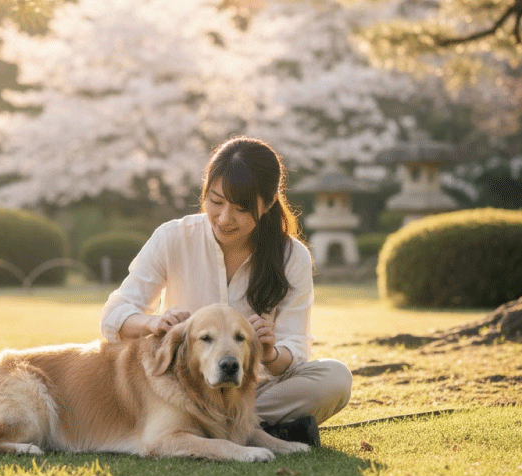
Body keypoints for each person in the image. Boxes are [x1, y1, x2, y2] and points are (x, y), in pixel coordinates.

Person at [100, 136, 352, 446]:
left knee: (335, 379)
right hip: (185, 390)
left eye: (241, 208)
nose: (224, 218)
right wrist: (153, 323)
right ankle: (249, 431)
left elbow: (296, 350)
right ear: (205, 191)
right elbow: (113, 316)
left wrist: (271, 353)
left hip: (252, 390)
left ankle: (217, 427)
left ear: (268, 203)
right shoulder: (173, 238)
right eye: (216, 201)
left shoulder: (292, 257)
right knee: (159, 387)